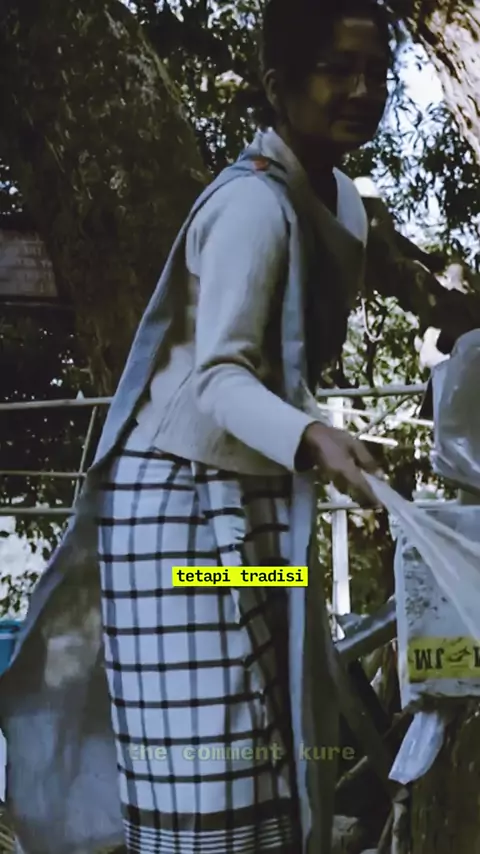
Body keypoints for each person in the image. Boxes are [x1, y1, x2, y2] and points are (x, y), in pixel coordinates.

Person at [0, 1, 392, 853]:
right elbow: (219, 377)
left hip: (254, 500)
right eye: (337, 68)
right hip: (175, 517)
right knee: (211, 755)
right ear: (280, 84)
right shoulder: (250, 207)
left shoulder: (339, 203)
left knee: (275, 722)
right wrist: (316, 437)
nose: (362, 90)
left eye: (377, 73)